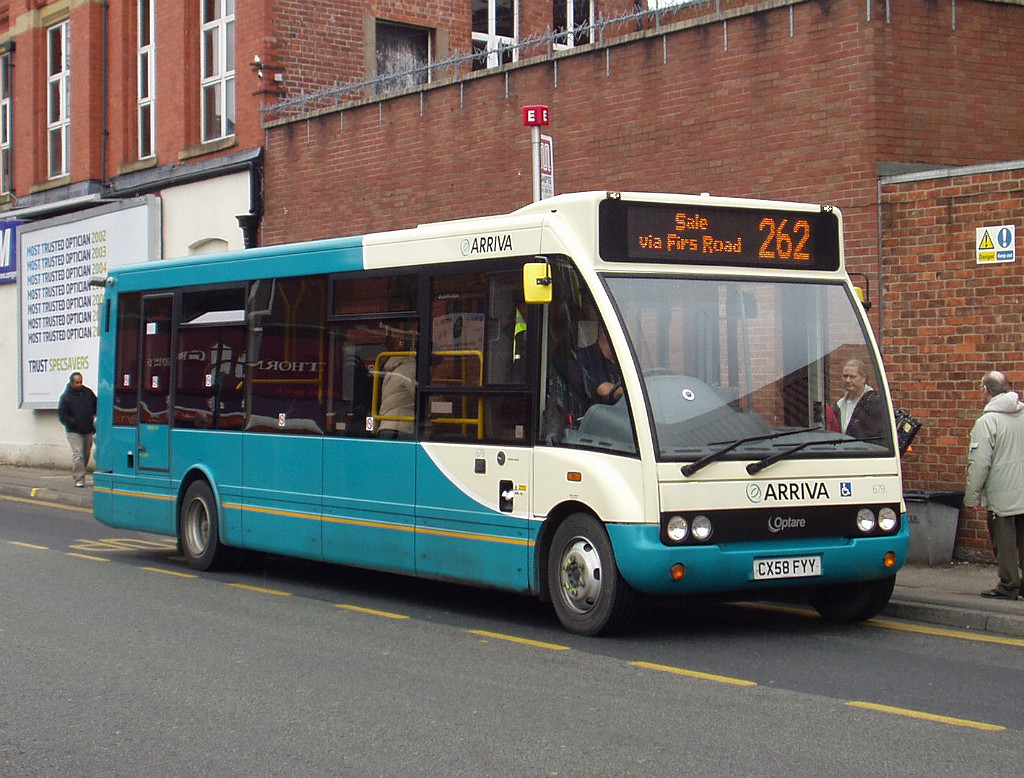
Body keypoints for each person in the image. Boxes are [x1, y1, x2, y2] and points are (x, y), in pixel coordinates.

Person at [963, 370, 1024, 600]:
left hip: (1002, 495)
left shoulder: (987, 421)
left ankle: (1008, 585)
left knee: (1004, 543)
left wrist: (971, 497)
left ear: (986, 390)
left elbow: (979, 464)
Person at [57, 371, 97, 487]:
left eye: (81, 382)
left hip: (88, 429)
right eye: (77, 382)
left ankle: (81, 472)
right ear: (71, 383)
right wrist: (73, 422)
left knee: (85, 454)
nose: (79, 384)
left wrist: (94, 415)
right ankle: (79, 479)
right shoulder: (65, 397)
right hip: (74, 431)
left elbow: (96, 404)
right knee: (78, 454)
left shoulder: (88, 393)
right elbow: (62, 415)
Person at [831, 358, 885, 440]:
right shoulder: (839, 404)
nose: (848, 380)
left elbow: (878, 437)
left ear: (864, 378)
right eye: (845, 376)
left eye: (852, 377)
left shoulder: (874, 403)